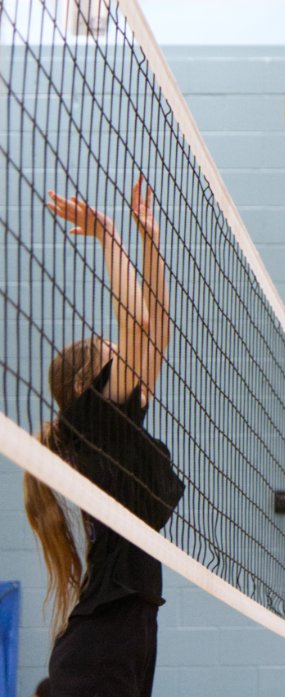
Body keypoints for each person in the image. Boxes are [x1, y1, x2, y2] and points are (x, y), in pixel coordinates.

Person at [24, 178, 183, 697]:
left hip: (127, 628)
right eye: (107, 346)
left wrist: (149, 241)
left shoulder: (116, 428)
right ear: (83, 387)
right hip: (107, 637)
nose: (121, 346)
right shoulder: (91, 424)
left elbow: (156, 325)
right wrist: (109, 236)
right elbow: (138, 322)